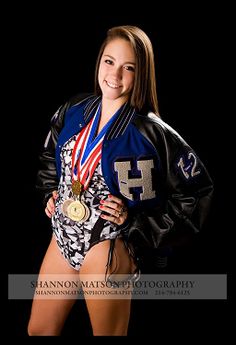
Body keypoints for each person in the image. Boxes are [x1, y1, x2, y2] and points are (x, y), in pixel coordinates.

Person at [27, 25, 213, 336]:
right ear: (99, 62)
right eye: (109, 62)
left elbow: (198, 192)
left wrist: (137, 223)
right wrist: (49, 191)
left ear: (142, 74)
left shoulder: (153, 133)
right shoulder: (74, 109)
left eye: (129, 67)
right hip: (63, 238)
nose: (116, 74)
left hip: (106, 244)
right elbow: (50, 155)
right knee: (40, 330)